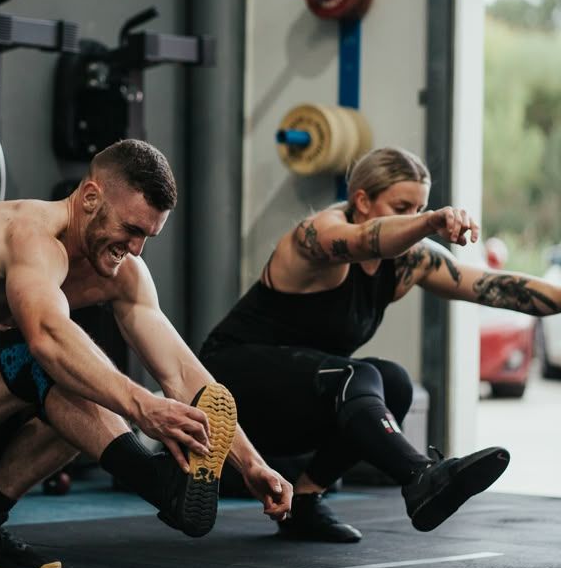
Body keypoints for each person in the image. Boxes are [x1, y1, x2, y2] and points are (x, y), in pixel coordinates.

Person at [0, 139, 292, 568]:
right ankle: (158, 484)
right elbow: (44, 338)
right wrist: (144, 407)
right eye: (131, 229)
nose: (136, 248)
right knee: (50, 355)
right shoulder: (30, 233)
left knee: (85, 378)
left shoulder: (124, 274)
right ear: (91, 197)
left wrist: (250, 463)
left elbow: (180, 369)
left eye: (147, 236)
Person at [200, 145, 525, 543]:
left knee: (395, 383)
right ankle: (419, 476)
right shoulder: (317, 235)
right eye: (402, 206)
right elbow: (362, 241)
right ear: (363, 201)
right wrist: (428, 221)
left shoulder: (410, 260)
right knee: (358, 374)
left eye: (420, 207)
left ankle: (303, 503)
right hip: (224, 387)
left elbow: (495, 288)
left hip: (292, 402)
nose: (414, 216)